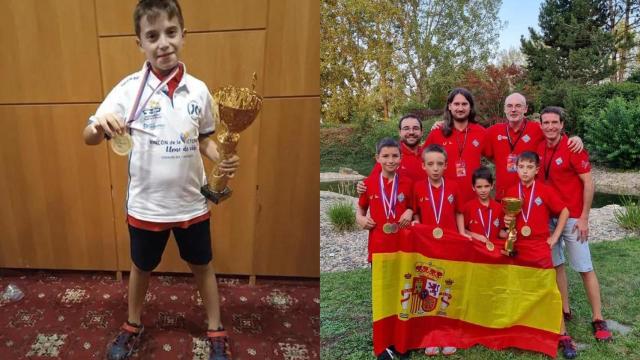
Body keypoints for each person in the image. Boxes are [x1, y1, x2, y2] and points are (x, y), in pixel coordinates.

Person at [83, 1, 237, 359]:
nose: (163, 43)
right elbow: (88, 136)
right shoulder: (127, 89)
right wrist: (98, 126)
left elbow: (204, 140)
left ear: (184, 34)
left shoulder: (199, 90)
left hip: (191, 203)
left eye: (170, 32)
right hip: (146, 205)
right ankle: (132, 323)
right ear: (140, 43)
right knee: (141, 267)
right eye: (152, 36)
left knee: (203, 265)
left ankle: (215, 327)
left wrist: (222, 158)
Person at [536, 107, 613, 342]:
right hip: (547, 218)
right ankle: (565, 309)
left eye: (554, 122)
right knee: (556, 265)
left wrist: (584, 218)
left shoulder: (572, 147)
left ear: (562, 125)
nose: (550, 126)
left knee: (583, 267)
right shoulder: (538, 147)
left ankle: (598, 318)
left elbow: (588, 183)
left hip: (572, 218)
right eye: (546, 122)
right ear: (540, 125)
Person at [503, 152, 576, 359]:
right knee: (520, 288)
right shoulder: (510, 191)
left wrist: (554, 236)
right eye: (521, 167)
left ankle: (563, 335)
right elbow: (506, 222)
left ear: (536, 169)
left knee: (549, 290)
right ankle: (524, 329)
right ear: (516, 168)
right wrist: (508, 221)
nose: (525, 171)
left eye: (529, 167)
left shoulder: (544, 190)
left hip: (540, 246)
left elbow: (564, 211)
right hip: (519, 246)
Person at [356, 138, 414, 360]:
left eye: (395, 156)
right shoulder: (369, 183)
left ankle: (402, 341)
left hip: (403, 248)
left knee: (402, 292)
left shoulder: (407, 182)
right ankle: (383, 344)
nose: (391, 160)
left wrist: (409, 211)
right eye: (386, 156)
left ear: (401, 158)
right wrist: (360, 220)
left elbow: (414, 210)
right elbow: (361, 209)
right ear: (377, 158)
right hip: (379, 248)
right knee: (382, 293)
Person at [483, 93, 583, 200]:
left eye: (518, 106)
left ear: (525, 109)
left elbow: (558, 138)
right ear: (504, 109)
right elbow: (485, 152)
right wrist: (501, 161)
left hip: (532, 196)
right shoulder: (493, 131)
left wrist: (576, 139)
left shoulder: (537, 129)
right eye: (509, 106)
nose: (513, 109)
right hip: (503, 195)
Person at [411, 144, 461, 356]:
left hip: (450, 246)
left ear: (446, 165)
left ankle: (448, 334)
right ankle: (430, 335)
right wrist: (416, 228)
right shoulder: (418, 188)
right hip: (427, 248)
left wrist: (461, 235)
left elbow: (458, 213)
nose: (435, 168)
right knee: (428, 289)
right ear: (423, 166)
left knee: (448, 289)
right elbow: (415, 215)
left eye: (440, 164)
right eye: (430, 164)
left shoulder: (454, 186)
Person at [424, 88, 486, 204]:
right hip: (444, 200)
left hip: (473, 199)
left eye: (464, 104)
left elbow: (495, 156)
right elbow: (422, 161)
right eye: (456, 104)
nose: (460, 108)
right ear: (449, 106)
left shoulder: (481, 132)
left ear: (470, 107)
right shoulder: (437, 132)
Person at [461, 167, 504, 248]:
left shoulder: (499, 207)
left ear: (492, 186)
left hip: (495, 250)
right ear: (473, 187)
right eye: (479, 187)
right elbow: (462, 230)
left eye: (486, 186)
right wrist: (474, 235)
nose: (483, 190)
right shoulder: (468, 207)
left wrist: (510, 235)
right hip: (475, 250)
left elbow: (500, 231)